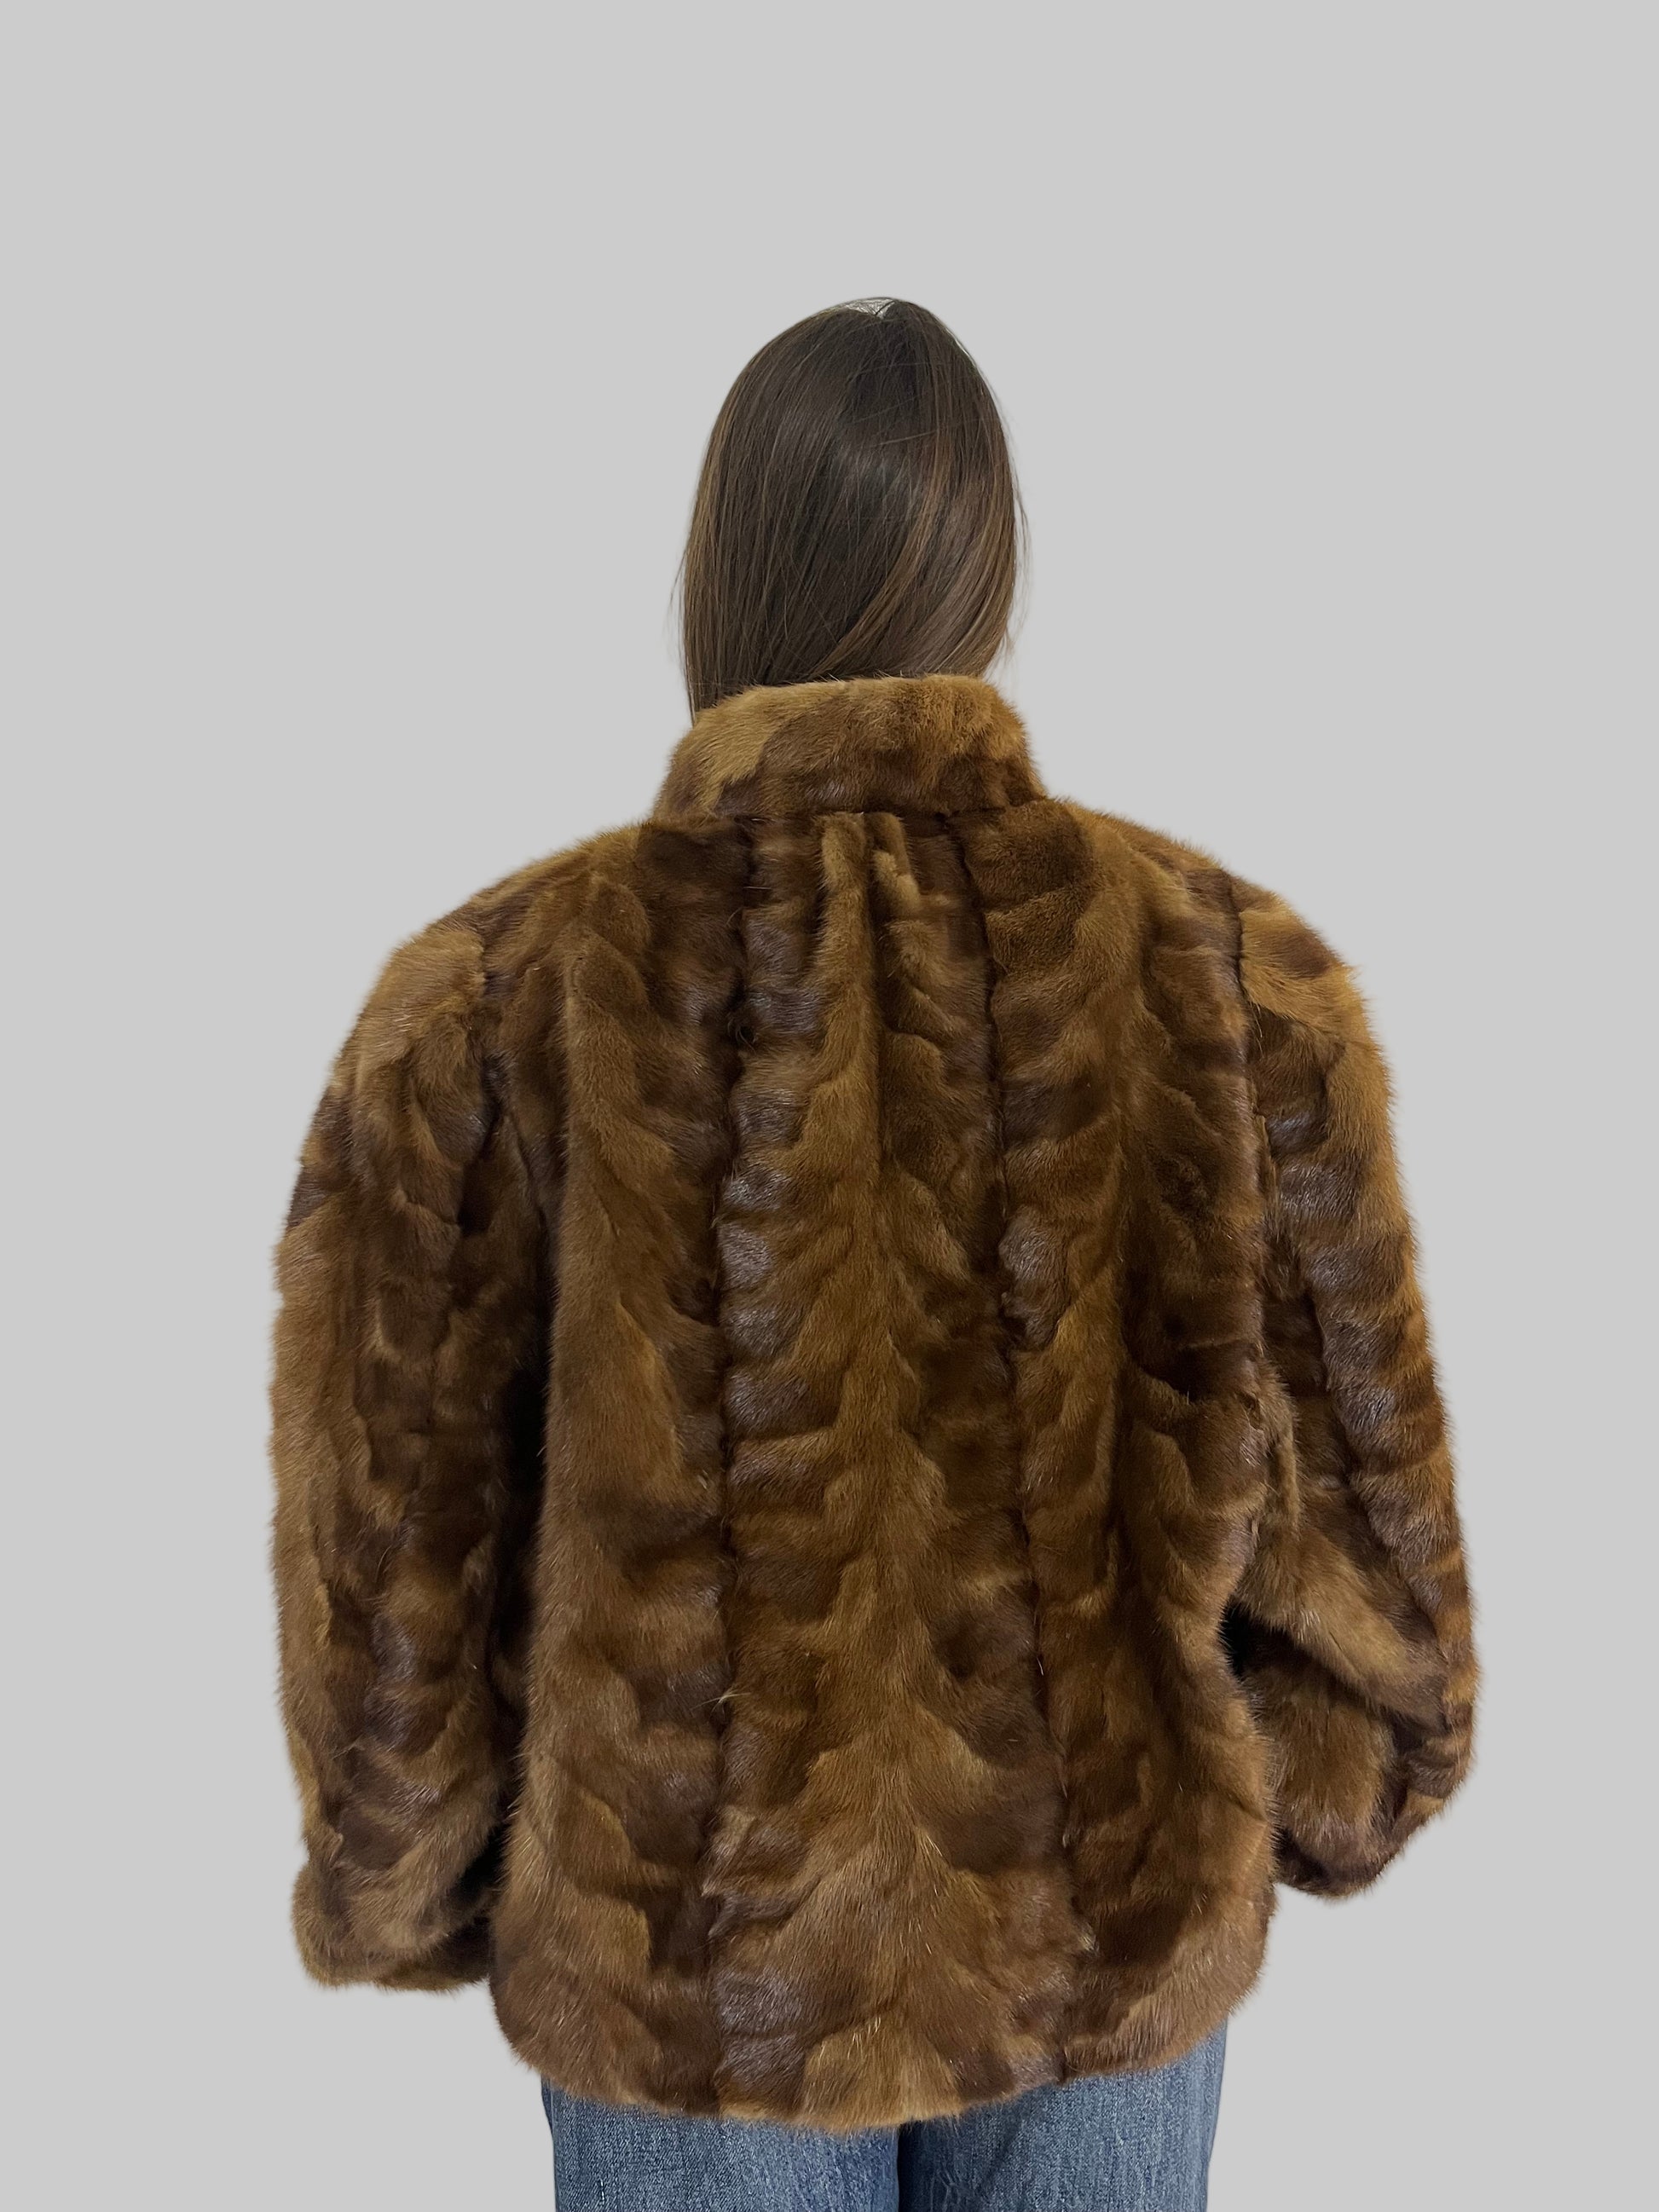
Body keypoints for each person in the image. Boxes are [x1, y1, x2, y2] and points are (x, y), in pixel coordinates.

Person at [270, 297, 1476, 2211]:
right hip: (1099, 1935)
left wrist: (423, 1877)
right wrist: (1264, 1795)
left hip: (683, 1973)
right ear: (989, 579)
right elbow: (1377, 1581)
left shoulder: (486, 1007)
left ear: (716, 574)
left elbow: (398, 1550)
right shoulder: (1228, 980)